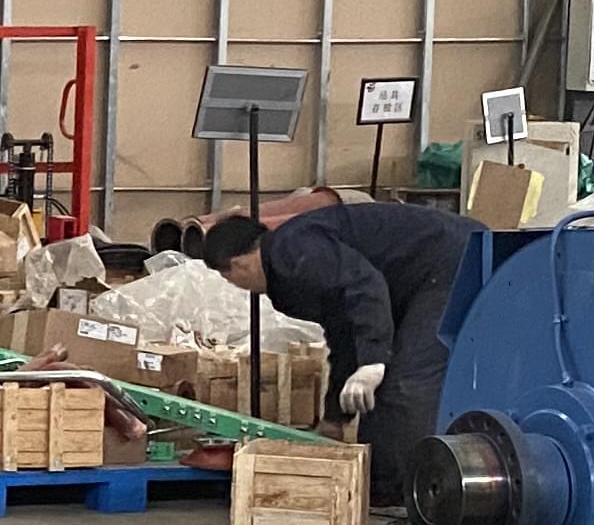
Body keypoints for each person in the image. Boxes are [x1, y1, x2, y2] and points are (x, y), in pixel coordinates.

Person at [201, 200, 472, 502]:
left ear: (240, 265)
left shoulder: (292, 250)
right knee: (378, 390)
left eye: (229, 278)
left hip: (452, 258)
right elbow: (344, 333)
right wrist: (335, 415)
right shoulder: (291, 262)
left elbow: (365, 286)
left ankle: (420, 501)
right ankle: (380, 490)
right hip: (425, 271)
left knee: (406, 384)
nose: (238, 286)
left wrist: (373, 361)